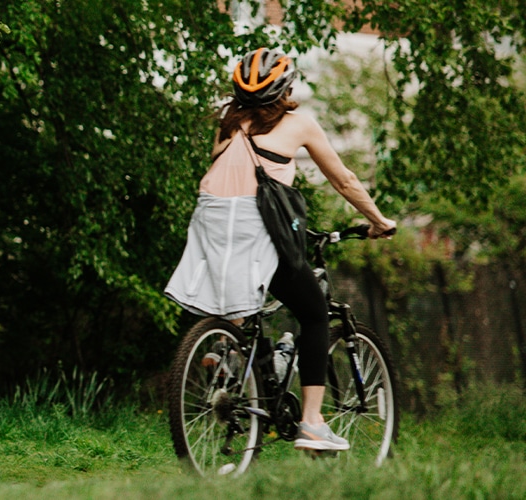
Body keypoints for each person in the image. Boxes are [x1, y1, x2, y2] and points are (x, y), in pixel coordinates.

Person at [165, 48, 397, 452]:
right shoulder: (299, 125)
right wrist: (378, 221)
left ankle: (227, 352)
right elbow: (343, 181)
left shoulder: (227, 122)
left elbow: (230, 181)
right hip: (256, 226)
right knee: (313, 313)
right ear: (285, 88)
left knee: (238, 299)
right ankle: (311, 421)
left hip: (210, 221)